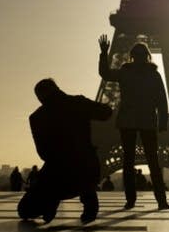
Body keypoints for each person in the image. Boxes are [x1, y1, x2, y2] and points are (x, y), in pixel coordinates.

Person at [17, 78, 112, 224]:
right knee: (84, 167)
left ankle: (50, 200)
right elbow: (106, 113)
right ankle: (88, 197)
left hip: (57, 174)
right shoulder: (78, 102)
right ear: (57, 88)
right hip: (86, 169)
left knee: (24, 210)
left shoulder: (37, 117)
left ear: (40, 97)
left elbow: (43, 153)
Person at [98, 34, 169, 210]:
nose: (139, 58)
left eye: (140, 55)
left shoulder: (125, 73)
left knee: (128, 162)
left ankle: (131, 199)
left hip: (129, 120)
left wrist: (104, 54)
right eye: (138, 55)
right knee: (152, 161)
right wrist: (162, 121)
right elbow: (162, 99)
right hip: (145, 120)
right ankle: (160, 200)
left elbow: (105, 73)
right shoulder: (153, 75)